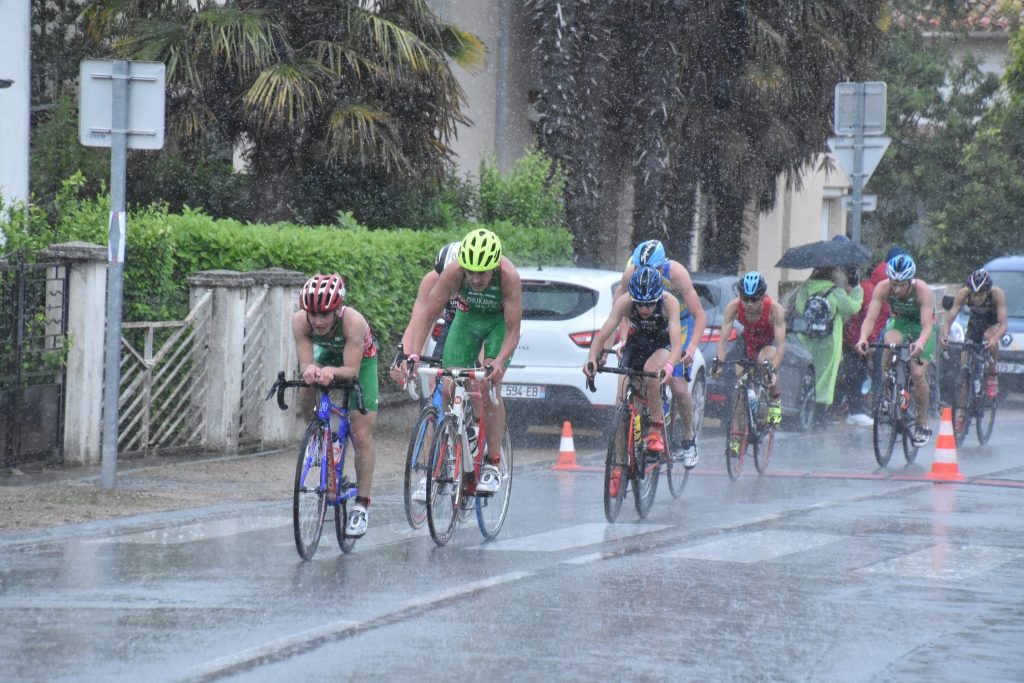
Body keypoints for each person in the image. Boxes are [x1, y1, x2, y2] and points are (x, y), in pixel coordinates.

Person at [396, 228, 522, 495]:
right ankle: (463, 437)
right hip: (466, 321)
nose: (476, 279)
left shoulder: (508, 276)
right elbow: (427, 314)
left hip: (497, 324)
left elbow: (513, 330)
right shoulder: (453, 271)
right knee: (447, 386)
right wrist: (414, 356)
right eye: (471, 272)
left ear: (494, 267)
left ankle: (492, 462)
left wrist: (498, 361)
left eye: (482, 273)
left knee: (488, 386)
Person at [292, 273, 379, 537]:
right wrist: (309, 371)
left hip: (360, 362)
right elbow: (306, 362)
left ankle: (362, 505)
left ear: (338, 310)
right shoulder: (300, 321)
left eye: (325, 315)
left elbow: (350, 370)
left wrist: (332, 371)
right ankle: (318, 438)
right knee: (307, 390)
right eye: (313, 314)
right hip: (328, 354)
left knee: (361, 433)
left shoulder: (353, 322)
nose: (318, 321)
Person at [584, 266, 682, 489]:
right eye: (640, 303)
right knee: (622, 402)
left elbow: (676, 345)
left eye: (649, 303)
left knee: (651, 372)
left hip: (661, 345)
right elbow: (604, 332)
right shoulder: (625, 302)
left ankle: (656, 429)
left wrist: (669, 365)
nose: (645, 308)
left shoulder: (669, 303)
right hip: (636, 344)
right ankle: (619, 466)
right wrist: (591, 358)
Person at [619, 239, 707, 468]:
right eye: (640, 270)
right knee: (636, 379)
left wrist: (691, 348)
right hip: (651, 324)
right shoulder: (631, 274)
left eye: (651, 270)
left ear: (662, 266)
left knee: (677, 384)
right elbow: (620, 311)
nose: (644, 274)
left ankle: (689, 439)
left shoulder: (676, 273)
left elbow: (699, 314)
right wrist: (621, 340)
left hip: (679, 321)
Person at [855, 253, 936, 447]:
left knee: (917, 374)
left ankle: (922, 422)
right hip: (900, 321)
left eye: (902, 285)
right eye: (894, 283)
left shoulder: (922, 290)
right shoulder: (883, 288)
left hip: (921, 326)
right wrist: (863, 338)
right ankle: (888, 394)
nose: (897, 289)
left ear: (910, 280)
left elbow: (927, 326)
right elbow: (871, 319)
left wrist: (921, 342)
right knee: (889, 344)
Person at [710, 271, 787, 457]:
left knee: (765, 362)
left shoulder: (774, 309)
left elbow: (781, 345)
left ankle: (775, 399)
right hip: (748, 345)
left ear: (762, 297)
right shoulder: (733, 308)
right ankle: (736, 439)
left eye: (754, 299)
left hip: (767, 345)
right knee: (741, 392)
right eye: (746, 298)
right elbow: (722, 342)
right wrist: (719, 363)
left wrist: (773, 371)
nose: (750, 304)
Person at [793, 266, 863, 426]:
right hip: (828, 341)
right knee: (826, 377)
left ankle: (806, 409)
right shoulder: (835, 291)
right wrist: (856, 289)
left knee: (810, 373)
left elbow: (799, 308)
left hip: (807, 337)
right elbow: (852, 307)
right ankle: (820, 414)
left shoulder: (805, 288)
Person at [939, 268, 1008, 399]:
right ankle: (962, 409)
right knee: (964, 364)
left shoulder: (997, 294)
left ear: (987, 291)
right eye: (973, 294)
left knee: (990, 338)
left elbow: (1003, 325)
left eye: (981, 294)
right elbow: (949, 320)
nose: (976, 298)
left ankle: (992, 372)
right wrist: (945, 336)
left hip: (991, 321)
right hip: (975, 321)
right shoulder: (963, 293)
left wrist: (994, 339)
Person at [838, 257, 892, 425]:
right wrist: (865, 341)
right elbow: (867, 320)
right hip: (856, 341)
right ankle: (854, 411)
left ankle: (849, 410)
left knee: (855, 374)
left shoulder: (871, 288)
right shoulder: (873, 292)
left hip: (856, 340)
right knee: (855, 374)